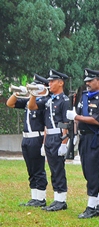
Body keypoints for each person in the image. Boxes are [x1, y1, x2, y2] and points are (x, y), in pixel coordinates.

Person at [66, 69, 99, 218]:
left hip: (95, 139)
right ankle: (97, 204)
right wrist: (72, 136)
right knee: (86, 170)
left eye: (90, 80)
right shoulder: (84, 96)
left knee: (93, 172)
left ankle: (92, 206)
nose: (87, 83)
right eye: (86, 80)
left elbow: (97, 120)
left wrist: (77, 117)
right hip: (83, 138)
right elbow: (77, 119)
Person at [28, 69, 71, 212]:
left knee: (58, 169)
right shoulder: (48, 100)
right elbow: (32, 107)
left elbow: (66, 123)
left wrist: (64, 143)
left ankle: (61, 200)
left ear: (61, 83)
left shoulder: (64, 100)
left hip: (59, 136)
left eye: (52, 81)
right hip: (50, 137)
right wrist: (33, 93)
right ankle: (56, 198)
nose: (49, 83)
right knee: (53, 169)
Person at [6, 74, 49, 207]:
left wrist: (44, 144)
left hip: (37, 137)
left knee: (38, 169)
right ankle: (34, 197)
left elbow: (47, 125)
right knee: (31, 169)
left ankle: (41, 198)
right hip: (26, 138)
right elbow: (10, 103)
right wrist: (18, 92)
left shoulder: (44, 102)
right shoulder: (29, 101)